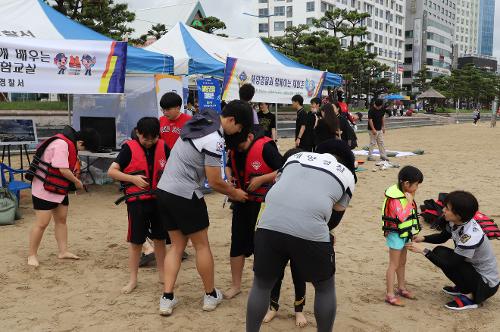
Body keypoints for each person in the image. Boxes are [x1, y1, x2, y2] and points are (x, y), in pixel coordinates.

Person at [246, 140, 356, 332]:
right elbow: (334, 217)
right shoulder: (347, 174)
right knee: (324, 288)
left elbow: (279, 185)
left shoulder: (295, 157)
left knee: (261, 285)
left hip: (268, 224)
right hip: (310, 232)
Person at [156, 100, 253, 316]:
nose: (238, 132)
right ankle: (210, 295)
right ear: (231, 120)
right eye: (239, 128)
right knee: (201, 246)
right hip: (186, 194)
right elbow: (215, 181)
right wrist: (235, 193)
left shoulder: (201, 122)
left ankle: (167, 298)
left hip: (164, 191)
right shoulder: (214, 139)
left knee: (177, 246)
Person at [107, 117, 170, 293]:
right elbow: (111, 171)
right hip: (137, 204)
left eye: (153, 138)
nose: (149, 142)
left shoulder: (163, 146)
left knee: (160, 239)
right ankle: (133, 279)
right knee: (136, 242)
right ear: (138, 133)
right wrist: (133, 178)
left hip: (158, 200)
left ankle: (162, 275)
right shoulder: (129, 148)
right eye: (145, 138)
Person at [407, 191, 499, 310]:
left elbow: (450, 265)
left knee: (445, 260)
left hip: (486, 284)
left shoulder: (470, 235)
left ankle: (471, 296)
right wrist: (423, 239)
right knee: (440, 251)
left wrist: (423, 251)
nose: (443, 210)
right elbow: (442, 237)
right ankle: (464, 286)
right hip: (473, 269)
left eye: (448, 209)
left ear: (459, 215)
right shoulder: (456, 222)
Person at [26, 125, 99, 267]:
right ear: (81, 142)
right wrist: (78, 183)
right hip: (44, 188)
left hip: (59, 188)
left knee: (61, 220)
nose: (82, 151)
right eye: (85, 148)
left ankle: (63, 251)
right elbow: (63, 170)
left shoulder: (69, 143)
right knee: (42, 223)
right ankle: (32, 255)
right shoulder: (61, 144)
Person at [224, 131, 283, 299]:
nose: (239, 149)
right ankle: (236, 285)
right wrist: (230, 181)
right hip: (241, 203)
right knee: (237, 244)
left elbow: (283, 170)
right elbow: (229, 166)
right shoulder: (235, 147)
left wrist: (262, 178)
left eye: (241, 146)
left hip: (262, 205)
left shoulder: (266, 148)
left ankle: (263, 287)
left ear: (249, 137)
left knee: (262, 247)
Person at [261, 147, 308, 328]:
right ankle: (273, 306)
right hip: (277, 234)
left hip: (300, 235)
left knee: (299, 274)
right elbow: (267, 207)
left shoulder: (309, 185)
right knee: (275, 274)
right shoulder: (278, 181)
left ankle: (299, 310)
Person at [381, 166, 423, 306]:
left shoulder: (405, 194)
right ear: (406, 184)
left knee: (402, 262)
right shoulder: (395, 199)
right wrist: (410, 202)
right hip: (395, 234)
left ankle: (401, 287)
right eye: (416, 184)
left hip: (405, 233)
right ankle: (389, 294)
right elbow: (402, 217)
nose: (417, 187)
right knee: (393, 264)